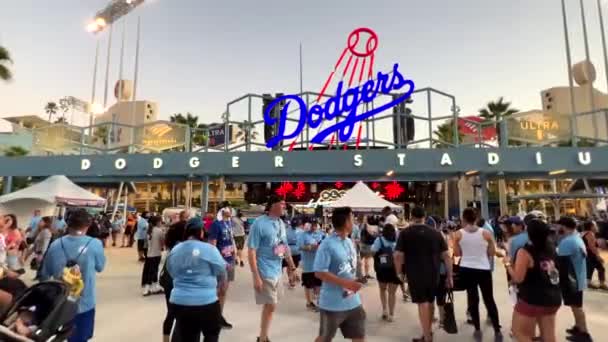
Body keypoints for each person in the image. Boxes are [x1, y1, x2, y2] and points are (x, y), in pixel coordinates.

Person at [39, 209, 106, 342]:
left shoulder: (55, 244)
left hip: (59, 303)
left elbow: (44, 275)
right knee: (80, 338)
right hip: (84, 302)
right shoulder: (95, 244)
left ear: (68, 224)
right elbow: (100, 267)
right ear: (88, 225)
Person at [394, 207, 452, 342]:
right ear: (424, 217)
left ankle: (426, 337)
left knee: (422, 304)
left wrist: (398, 273)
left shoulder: (405, 233)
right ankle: (428, 332)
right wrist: (449, 276)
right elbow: (446, 256)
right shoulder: (436, 233)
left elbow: (397, 255)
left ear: (412, 217)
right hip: (434, 274)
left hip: (415, 274)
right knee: (430, 301)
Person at [166, 217, 228, 342]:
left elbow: (172, 272)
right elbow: (221, 270)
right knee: (211, 333)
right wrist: (221, 285)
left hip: (180, 302)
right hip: (207, 302)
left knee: (187, 335)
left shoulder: (175, 250)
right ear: (200, 232)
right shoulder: (210, 249)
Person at [247, 195, 297, 342]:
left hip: (277, 269)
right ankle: (262, 338)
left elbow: (282, 246)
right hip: (264, 269)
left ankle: (263, 336)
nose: (284, 207)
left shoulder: (281, 223)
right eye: (282, 204)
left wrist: (292, 267)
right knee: (271, 305)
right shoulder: (259, 223)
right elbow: (251, 250)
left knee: (271, 306)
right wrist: (255, 275)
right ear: (273, 205)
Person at [313, 207, 365, 342]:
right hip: (332, 303)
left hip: (353, 301)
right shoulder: (327, 244)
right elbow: (319, 272)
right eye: (352, 218)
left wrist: (356, 279)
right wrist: (346, 283)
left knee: (359, 336)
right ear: (346, 222)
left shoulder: (349, 242)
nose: (354, 221)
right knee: (325, 337)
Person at [504, 219, 561, 342]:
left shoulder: (525, 252)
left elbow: (518, 278)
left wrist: (508, 264)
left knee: (520, 332)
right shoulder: (552, 248)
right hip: (553, 297)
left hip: (532, 298)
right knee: (548, 335)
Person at [453, 207, 501, 339]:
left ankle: (477, 329)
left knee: (473, 299)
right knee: (489, 299)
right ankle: (497, 329)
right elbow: (491, 253)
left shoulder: (458, 234)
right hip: (483, 269)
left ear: (463, 218)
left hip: (466, 269)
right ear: (476, 219)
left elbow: (457, 254)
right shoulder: (486, 233)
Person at [557, 217, 593, 342]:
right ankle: (578, 327)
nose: (557, 229)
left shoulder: (567, 242)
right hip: (579, 277)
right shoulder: (577, 238)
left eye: (558, 226)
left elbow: (561, 264)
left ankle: (584, 333)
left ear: (564, 226)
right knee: (575, 305)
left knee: (577, 307)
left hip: (572, 280)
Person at [162, 211, 189, 342]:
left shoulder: (172, 248)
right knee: (181, 316)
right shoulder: (183, 248)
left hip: (168, 282)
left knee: (171, 313)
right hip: (178, 284)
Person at [208, 208, 236, 330]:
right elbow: (212, 245)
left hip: (230, 260)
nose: (231, 211)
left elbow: (231, 239)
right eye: (228, 209)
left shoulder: (229, 223)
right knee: (217, 290)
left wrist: (234, 255)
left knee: (224, 290)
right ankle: (213, 317)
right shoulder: (216, 224)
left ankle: (218, 316)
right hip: (221, 262)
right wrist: (218, 261)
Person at [371, 223, 401, 322]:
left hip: (382, 269)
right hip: (394, 269)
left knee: (382, 290)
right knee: (392, 293)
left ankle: (384, 310)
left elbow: (373, 251)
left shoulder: (379, 240)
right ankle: (391, 314)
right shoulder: (398, 241)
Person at [298, 219, 325, 311]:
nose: (314, 227)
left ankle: (319, 302)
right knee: (308, 285)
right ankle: (309, 303)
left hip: (318, 264)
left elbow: (323, 243)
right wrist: (310, 247)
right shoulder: (303, 235)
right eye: (312, 225)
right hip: (308, 264)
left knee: (319, 284)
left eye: (315, 225)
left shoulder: (319, 234)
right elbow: (300, 247)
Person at [142, 216, 164, 296]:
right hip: (156, 254)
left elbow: (146, 243)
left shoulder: (149, 231)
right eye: (161, 221)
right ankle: (147, 289)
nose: (161, 223)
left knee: (152, 270)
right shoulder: (159, 231)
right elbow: (163, 242)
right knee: (153, 271)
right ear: (158, 222)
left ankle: (155, 286)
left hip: (149, 254)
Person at [581, 221, 607, 290]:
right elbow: (592, 246)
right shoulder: (590, 234)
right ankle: (601, 284)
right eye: (595, 225)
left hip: (586, 254)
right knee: (601, 268)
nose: (596, 227)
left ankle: (588, 283)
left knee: (590, 268)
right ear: (591, 226)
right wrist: (598, 256)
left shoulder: (583, 233)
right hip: (591, 254)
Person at [285, 217, 302, 289]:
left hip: (297, 251)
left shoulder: (300, 231)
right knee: (290, 265)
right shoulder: (286, 231)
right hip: (289, 251)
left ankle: (291, 278)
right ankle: (291, 279)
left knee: (294, 265)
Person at [358, 215, 376, 281]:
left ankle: (361, 273)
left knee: (360, 259)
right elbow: (371, 234)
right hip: (367, 244)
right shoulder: (366, 225)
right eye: (365, 218)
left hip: (362, 244)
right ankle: (366, 274)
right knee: (366, 259)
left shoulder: (359, 226)